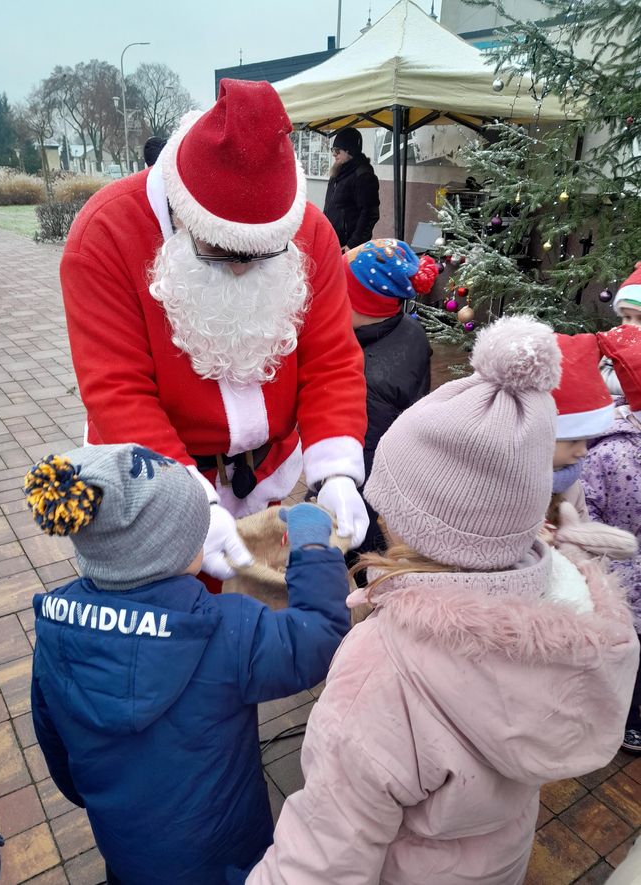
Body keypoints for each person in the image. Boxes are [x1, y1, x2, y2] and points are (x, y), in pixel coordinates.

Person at [247, 316, 639, 885]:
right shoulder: (570, 613)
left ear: (415, 526)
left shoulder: (381, 672)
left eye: (390, 507)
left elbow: (322, 860)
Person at [60, 79, 368, 584]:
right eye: (221, 252)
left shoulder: (310, 229)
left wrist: (334, 468)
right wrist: (186, 505)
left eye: (263, 255)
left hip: (261, 472)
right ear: (181, 217)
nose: (244, 270)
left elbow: (330, 359)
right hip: (154, 475)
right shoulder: (104, 235)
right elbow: (118, 392)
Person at [26, 443, 350, 885]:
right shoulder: (226, 630)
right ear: (176, 550)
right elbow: (318, 638)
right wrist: (313, 549)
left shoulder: (54, 628)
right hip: (226, 855)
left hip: (126, 850)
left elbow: (55, 745)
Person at [343, 238, 436, 553]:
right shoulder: (409, 330)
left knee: (357, 543)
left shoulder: (366, 377)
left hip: (364, 478)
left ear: (362, 306)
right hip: (397, 452)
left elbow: (360, 454)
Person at [582, 324, 641, 753]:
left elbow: (587, 515)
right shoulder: (613, 452)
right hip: (625, 578)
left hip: (618, 579)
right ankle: (630, 721)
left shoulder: (603, 446)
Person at [549, 332, 615, 524]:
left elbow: (582, 527)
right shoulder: (500, 486)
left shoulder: (570, 483)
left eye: (586, 440)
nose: (583, 451)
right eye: (573, 440)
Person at [323, 127, 380, 251]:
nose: (334, 154)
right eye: (333, 150)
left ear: (350, 151)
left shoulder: (363, 176)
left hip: (349, 247)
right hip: (332, 241)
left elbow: (370, 214)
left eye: (338, 150)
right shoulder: (337, 172)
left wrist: (353, 244)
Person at [600, 261, 641, 395]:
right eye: (627, 317)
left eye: (640, 318)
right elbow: (600, 376)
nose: (631, 325)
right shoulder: (614, 344)